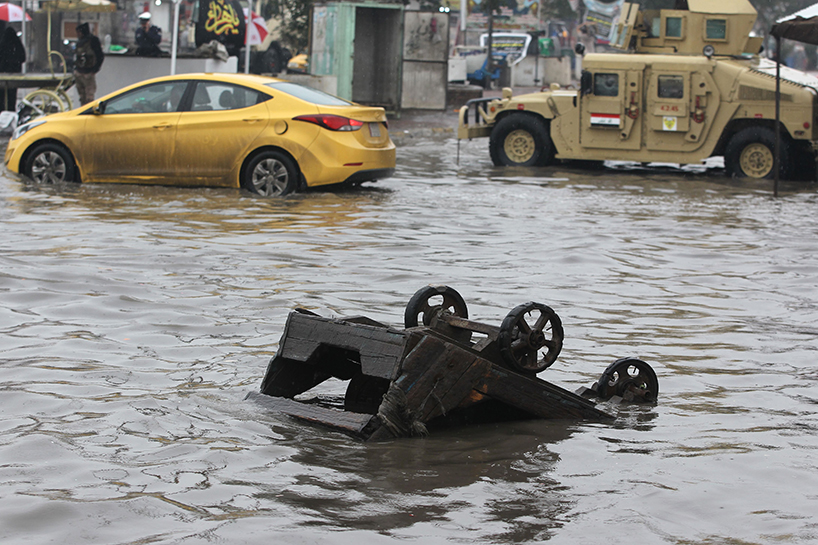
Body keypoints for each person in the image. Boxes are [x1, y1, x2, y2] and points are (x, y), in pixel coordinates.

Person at [74, 23, 104, 106]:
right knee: (83, 96)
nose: (77, 34)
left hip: (86, 72)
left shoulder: (92, 41)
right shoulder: (84, 41)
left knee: (88, 97)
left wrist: (95, 69)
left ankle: (87, 112)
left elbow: (100, 56)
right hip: (82, 72)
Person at [0, 23, 26, 111]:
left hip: (3, 76)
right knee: (12, 95)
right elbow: (23, 58)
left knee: (2, 96)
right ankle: (11, 111)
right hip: (15, 76)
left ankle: (3, 114)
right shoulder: (17, 45)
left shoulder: (3, 44)